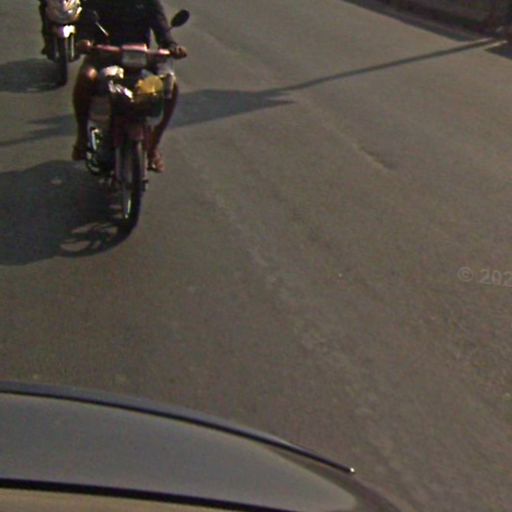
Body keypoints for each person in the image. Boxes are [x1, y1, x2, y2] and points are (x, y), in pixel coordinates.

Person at [73, 0, 187, 172]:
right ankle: (82, 137)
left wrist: (172, 46)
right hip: (105, 54)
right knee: (85, 78)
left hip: (141, 56)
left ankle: (153, 147)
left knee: (171, 86)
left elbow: (162, 28)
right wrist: (85, 40)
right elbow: (87, 21)